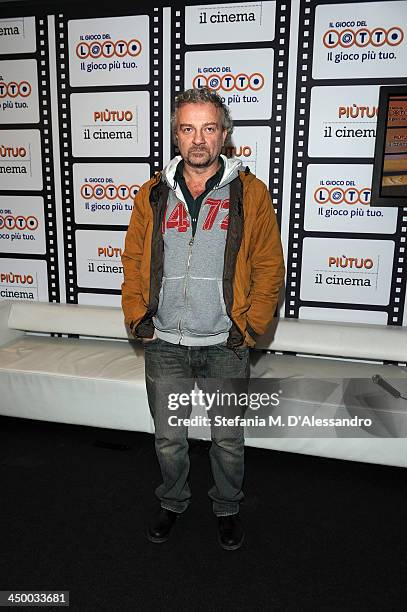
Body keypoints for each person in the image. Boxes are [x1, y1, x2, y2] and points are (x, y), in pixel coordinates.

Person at [121, 87, 285, 550]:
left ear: (225, 135)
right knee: (168, 439)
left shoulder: (250, 193)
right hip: (166, 343)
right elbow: (134, 259)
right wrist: (139, 317)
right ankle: (172, 501)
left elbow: (269, 265)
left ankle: (227, 507)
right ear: (176, 135)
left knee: (228, 440)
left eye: (208, 128)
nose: (198, 139)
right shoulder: (152, 193)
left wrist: (248, 328)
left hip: (224, 343)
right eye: (188, 128)